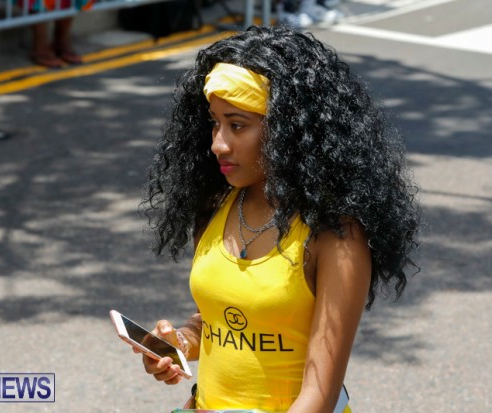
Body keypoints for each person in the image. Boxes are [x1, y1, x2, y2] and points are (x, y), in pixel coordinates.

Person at [139, 25, 420, 412]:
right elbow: (226, 321)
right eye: (214, 122)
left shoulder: (335, 235)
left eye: (237, 125)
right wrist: (180, 343)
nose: (218, 143)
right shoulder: (215, 206)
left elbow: (319, 395)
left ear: (289, 131)